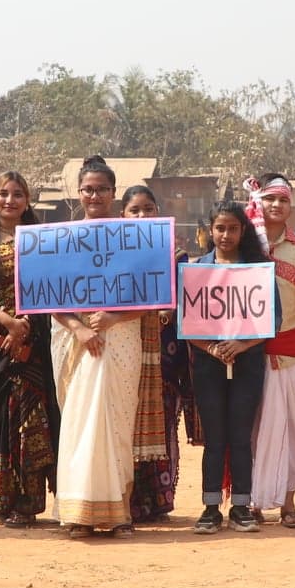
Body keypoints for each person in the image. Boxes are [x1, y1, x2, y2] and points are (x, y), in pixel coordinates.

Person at [52, 157, 146, 536]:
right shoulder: (62, 239)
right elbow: (48, 295)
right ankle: (78, 513)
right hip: (77, 341)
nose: (95, 195)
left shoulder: (134, 238)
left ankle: (118, 511)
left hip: (121, 337)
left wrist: (112, 319)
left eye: (102, 189)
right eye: (88, 189)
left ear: (113, 193)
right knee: (79, 423)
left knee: (117, 424)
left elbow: (153, 296)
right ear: (79, 193)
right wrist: (79, 328)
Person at [0, 171, 59, 527]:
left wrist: (24, 328)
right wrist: (7, 322)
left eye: (18, 194)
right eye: (3, 194)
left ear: (28, 200)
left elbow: (55, 284)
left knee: (33, 416)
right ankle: (3, 500)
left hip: (35, 338)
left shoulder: (42, 239)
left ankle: (29, 502)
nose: (10, 200)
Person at [245, 174, 295, 529]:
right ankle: (252, 504)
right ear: (259, 203)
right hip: (248, 354)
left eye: (283, 200)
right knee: (251, 430)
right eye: (269, 199)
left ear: (291, 206)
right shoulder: (245, 246)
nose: (276, 205)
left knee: (292, 431)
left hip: (293, 352)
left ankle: (288, 503)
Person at [187, 203, 270, 534]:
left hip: (247, 363)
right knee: (215, 438)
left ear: (243, 231)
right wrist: (212, 349)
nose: (225, 235)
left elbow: (271, 321)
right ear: (210, 230)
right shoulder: (197, 270)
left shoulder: (259, 270)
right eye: (219, 228)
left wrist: (242, 345)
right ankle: (210, 508)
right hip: (209, 365)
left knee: (240, 436)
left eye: (232, 228)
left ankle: (240, 505)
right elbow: (187, 324)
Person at [120, 184, 197, 524]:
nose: (141, 216)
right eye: (134, 210)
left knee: (163, 427)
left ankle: (160, 499)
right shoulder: (111, 254)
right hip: (124, 351)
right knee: (126, 425)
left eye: (148, 209)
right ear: (122, 215)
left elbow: (189, 303)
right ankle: (129, 500)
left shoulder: (178, 257)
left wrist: (165, 313)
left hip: (165, 357)